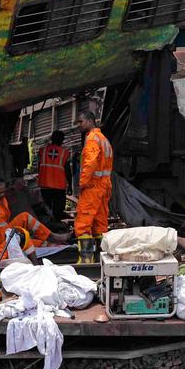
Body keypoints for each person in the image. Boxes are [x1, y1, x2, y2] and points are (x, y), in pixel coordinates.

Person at [0, 178, 68, 247]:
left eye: (3, 192)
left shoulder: (3, 200)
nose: (2, 195)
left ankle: (60, 245)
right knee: (25, 217)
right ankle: (53, 236)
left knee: (34, 242)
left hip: (6, 232)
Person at [75, 110, 113, 262]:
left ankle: (85, 261)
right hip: (104, 186)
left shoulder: (92, 139)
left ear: (90, 121)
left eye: (80, 122)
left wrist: (82, 183)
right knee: (100, 224)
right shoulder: (103, 139)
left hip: (92, 186)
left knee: (83, 223)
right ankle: (100, 260)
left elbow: (90, 163)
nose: (79, 125)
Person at [36, 130, 72, 219]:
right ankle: (57, 226)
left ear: (51, 138)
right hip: (59, 187)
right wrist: (70, 184)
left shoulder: (43, 151)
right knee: (58, 210)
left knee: (46, 208)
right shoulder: (64, 153)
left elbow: (39, 167)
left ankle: (48, 226)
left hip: (45, 185)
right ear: (62, 140)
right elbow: (67, 170)